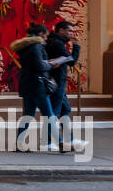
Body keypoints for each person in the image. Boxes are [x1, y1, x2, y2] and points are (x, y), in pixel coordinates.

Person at [10, 23, 71, 152]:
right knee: (49, 115)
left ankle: (19, 143)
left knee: (28, 115)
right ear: (41, 34)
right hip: (38, 86)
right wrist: (51, 64)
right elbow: (39, 65)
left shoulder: (25, 46)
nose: (46, 38)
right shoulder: (36, 46)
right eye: (46, 35)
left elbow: (33, 64)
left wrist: (46, 63)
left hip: (28, 85)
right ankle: (60, 143)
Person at [44, 20, 81, 148]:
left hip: (57, 81)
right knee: (54, 111)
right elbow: (72, 61)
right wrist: (76, 46)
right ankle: (47, 141)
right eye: (69, 30)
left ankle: (68, 138)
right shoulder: (57, 43)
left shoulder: (55, 41)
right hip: (57, 81)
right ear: (61, 31)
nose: (72, 33)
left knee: (65, 109)